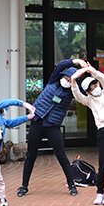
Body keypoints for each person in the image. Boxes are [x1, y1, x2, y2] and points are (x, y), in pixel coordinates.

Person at [17, 58, 88, 197]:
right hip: (37, 122)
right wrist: (77, 61)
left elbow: (84, 90)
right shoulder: (53, 81)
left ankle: (72, 186)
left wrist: (85, 71)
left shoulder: (72, 91)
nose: (67, 80)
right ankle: (24, 187)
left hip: (52, 126)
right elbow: (62, 64)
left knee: (61, 156)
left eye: (70, 79)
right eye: (66, 77)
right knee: (31, 156)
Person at [70, 65, 104, 205]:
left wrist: (92, 71)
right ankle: (99, 193)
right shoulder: (89, 100)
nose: (94, 89)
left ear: (98, 83)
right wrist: (73, 82)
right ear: (88, 92)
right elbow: (77, 96)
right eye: (90, 88)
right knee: (103, 165)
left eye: (94, 85)